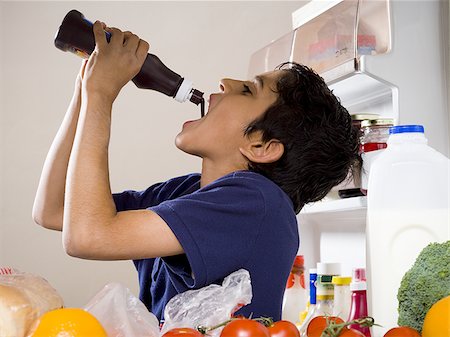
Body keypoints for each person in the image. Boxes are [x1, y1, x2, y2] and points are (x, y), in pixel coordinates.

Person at [32, 21, 359, 323]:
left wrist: (100, 95)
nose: (224, 82)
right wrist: (85, 89)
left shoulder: (259, 204)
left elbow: (87, 237)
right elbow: (54, 210)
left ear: (260, 145)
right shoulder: (185, 194)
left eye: (247, 90)